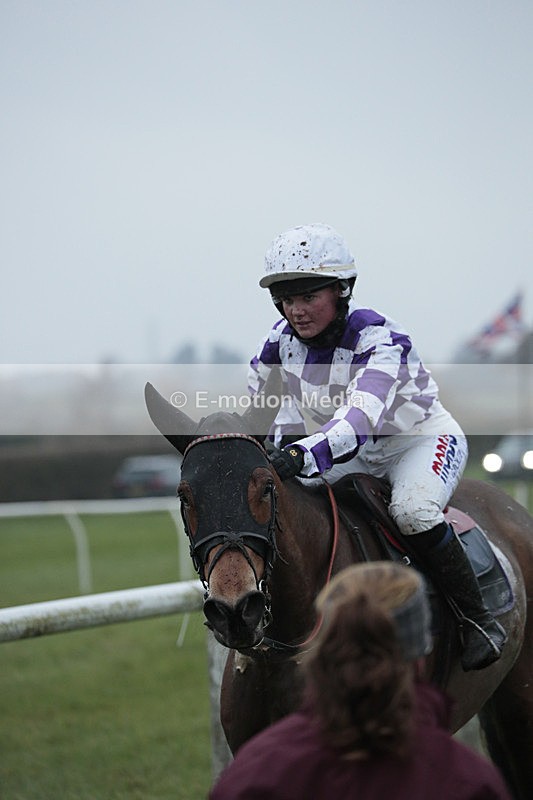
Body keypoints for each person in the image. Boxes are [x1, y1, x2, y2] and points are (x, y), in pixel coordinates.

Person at [248, 222, 506, 671]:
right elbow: (260, 411)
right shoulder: (278, 343)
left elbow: (357, 421)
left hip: (419, 442)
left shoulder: (379, 338)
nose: (297, 311)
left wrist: (298, 454)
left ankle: (477, 619)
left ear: (342, 291)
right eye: (287, 299)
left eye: (309, 296)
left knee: (412, 511)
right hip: (349, 450)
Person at [209, 562, 511, 800]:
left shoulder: (253, 772)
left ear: (322, 650)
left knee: (415, 511)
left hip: (395, 483)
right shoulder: (469, 780)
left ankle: (476, 615)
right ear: (419, 657)